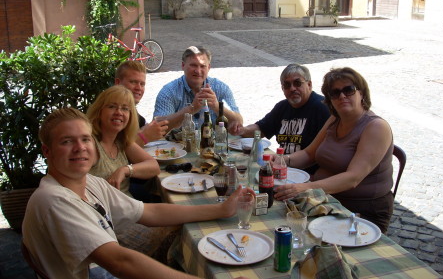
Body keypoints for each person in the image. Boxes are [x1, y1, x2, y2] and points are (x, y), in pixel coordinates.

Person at [22, 107, 252, 279]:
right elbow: (120, 262)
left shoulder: (88, 183)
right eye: (66, 141)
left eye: (85, 139)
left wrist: (221, 209)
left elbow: (149, 212)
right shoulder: (54, 200)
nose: (80, 147)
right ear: (47, 151)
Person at [274, 67, 394, 233]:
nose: (342, 96)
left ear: (362, 93)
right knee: (279, 220)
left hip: (360, 209)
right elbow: (309, 154)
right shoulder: (334, 119)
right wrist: (280, 160)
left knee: (296, 230)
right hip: (325, 199)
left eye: (348, 90)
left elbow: (353, 178)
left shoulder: (376, 127)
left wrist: (305, 187)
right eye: (335, 93)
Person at [229, 64, 330, 175]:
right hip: (282, 168)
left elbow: (320, 153)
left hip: (307, 173)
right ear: (282, 89)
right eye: (287, 85)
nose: (292, 88)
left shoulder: (322, 108)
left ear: (309, 84)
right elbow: (261, 128)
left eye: (297, 83)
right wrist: (243, 130)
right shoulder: (282, 107)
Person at [86, 85, 160, 197]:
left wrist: (125, 170)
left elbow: (154, 166)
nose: (119, 112)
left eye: (125, 108)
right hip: (108, 211)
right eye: (112, 106)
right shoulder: (91, 144)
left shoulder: (120, 140)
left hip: (127, 205)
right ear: (99, 111)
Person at [153, 46, 243, 130]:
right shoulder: (169, 91)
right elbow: (157, 126)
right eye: (193, 65)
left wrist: (217, 106)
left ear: (209, 67)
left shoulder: (220, 88)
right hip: (177, 145)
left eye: (202, 66)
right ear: (183, 66)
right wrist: (191, 109)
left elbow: (239, 122)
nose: (198, 71)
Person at [115, 61, 168, 146]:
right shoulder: (111, 112)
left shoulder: (139, 119)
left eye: (142, 84)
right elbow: (114, 151)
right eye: (133, 82)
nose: (138, 88)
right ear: (118, 83)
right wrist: (144, 136)